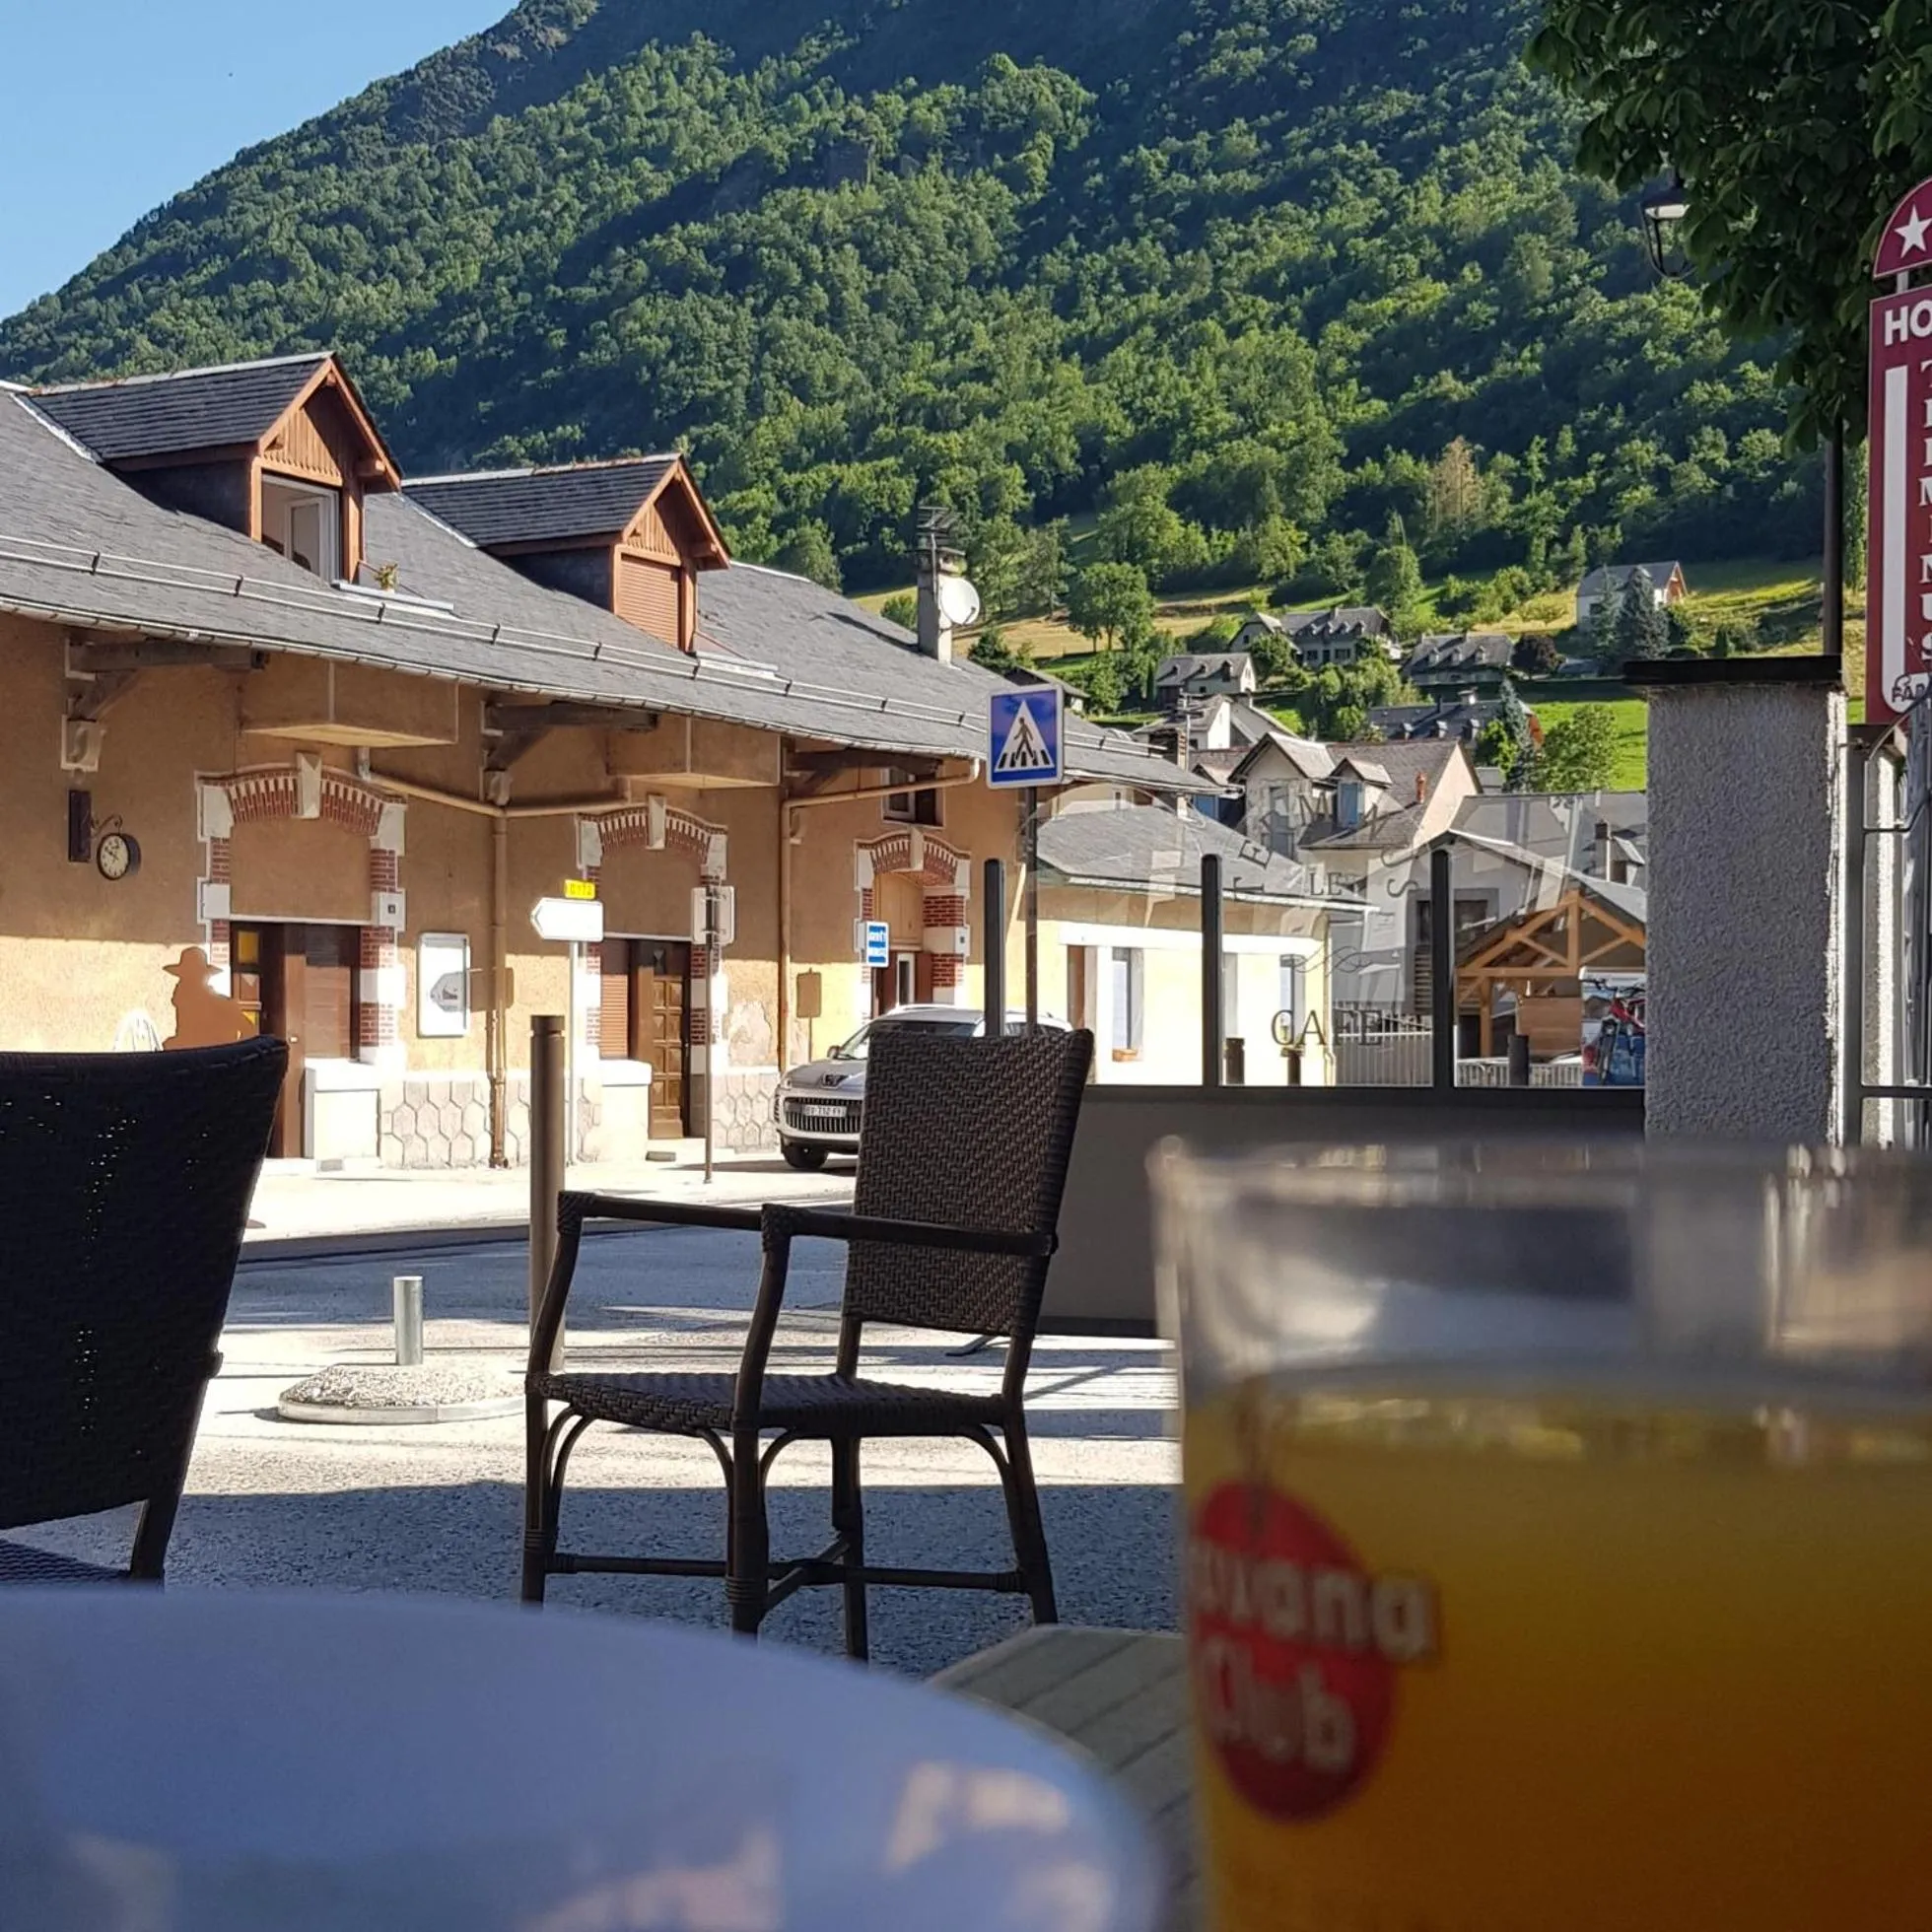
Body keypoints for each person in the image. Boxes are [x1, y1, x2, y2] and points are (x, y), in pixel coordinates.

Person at [162, 947, 255, 1050]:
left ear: (202, 978)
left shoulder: (223, 1005)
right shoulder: (184, 1004)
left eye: (189, 978)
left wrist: (234, 1053)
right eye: (183, 977)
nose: (181, 983)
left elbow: (249, 1030)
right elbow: (187, 1037)